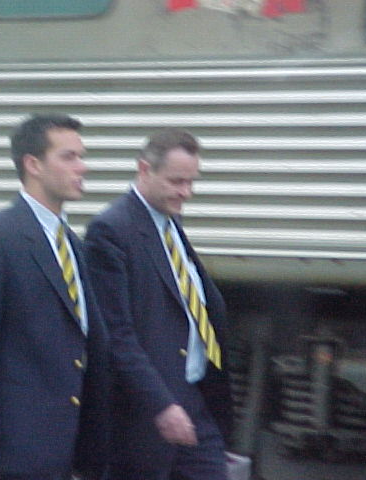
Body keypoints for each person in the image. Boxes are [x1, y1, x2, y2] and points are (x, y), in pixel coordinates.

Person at [0, 114, 110, 480]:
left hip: (63, 446)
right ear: (33, 165)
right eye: (69, 157)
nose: (82, 167)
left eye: (82, 157)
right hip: (15, 445)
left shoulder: (72, 245)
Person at [84, 128, 233, 480]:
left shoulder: (169, 222)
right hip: (148, 414)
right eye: (176, 181)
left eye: (191, 182)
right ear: (144, 170)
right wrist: (162, 405)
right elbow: (116, 335)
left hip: (194, 400)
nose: (186, 192)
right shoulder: (111, 230)